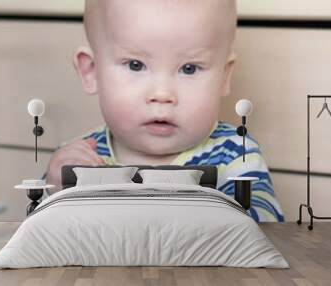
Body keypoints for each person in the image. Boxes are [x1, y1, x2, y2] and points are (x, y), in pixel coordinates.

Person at [45, 0, 284, 222]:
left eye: (189, 68)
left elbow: (265, 230)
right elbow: (39, 240)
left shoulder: (235, 155)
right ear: (91, 72)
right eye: (135, 65)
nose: (162, 94)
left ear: (223, 76)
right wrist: (56, 191)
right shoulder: (77, 158)